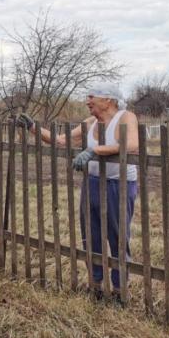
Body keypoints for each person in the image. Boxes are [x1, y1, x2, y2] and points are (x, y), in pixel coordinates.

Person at [17, 82, 139, 302]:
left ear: (108, 99)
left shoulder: (125, 116)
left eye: (91, 97)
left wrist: (94, 150)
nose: (87, 101)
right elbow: (61, 141)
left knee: (118, 236)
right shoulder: (91, 122)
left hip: (118, 184)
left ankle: (120, 291)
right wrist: (33, 127)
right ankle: (96, 286)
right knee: (91, 236)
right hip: (92, 182)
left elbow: (131, 144)